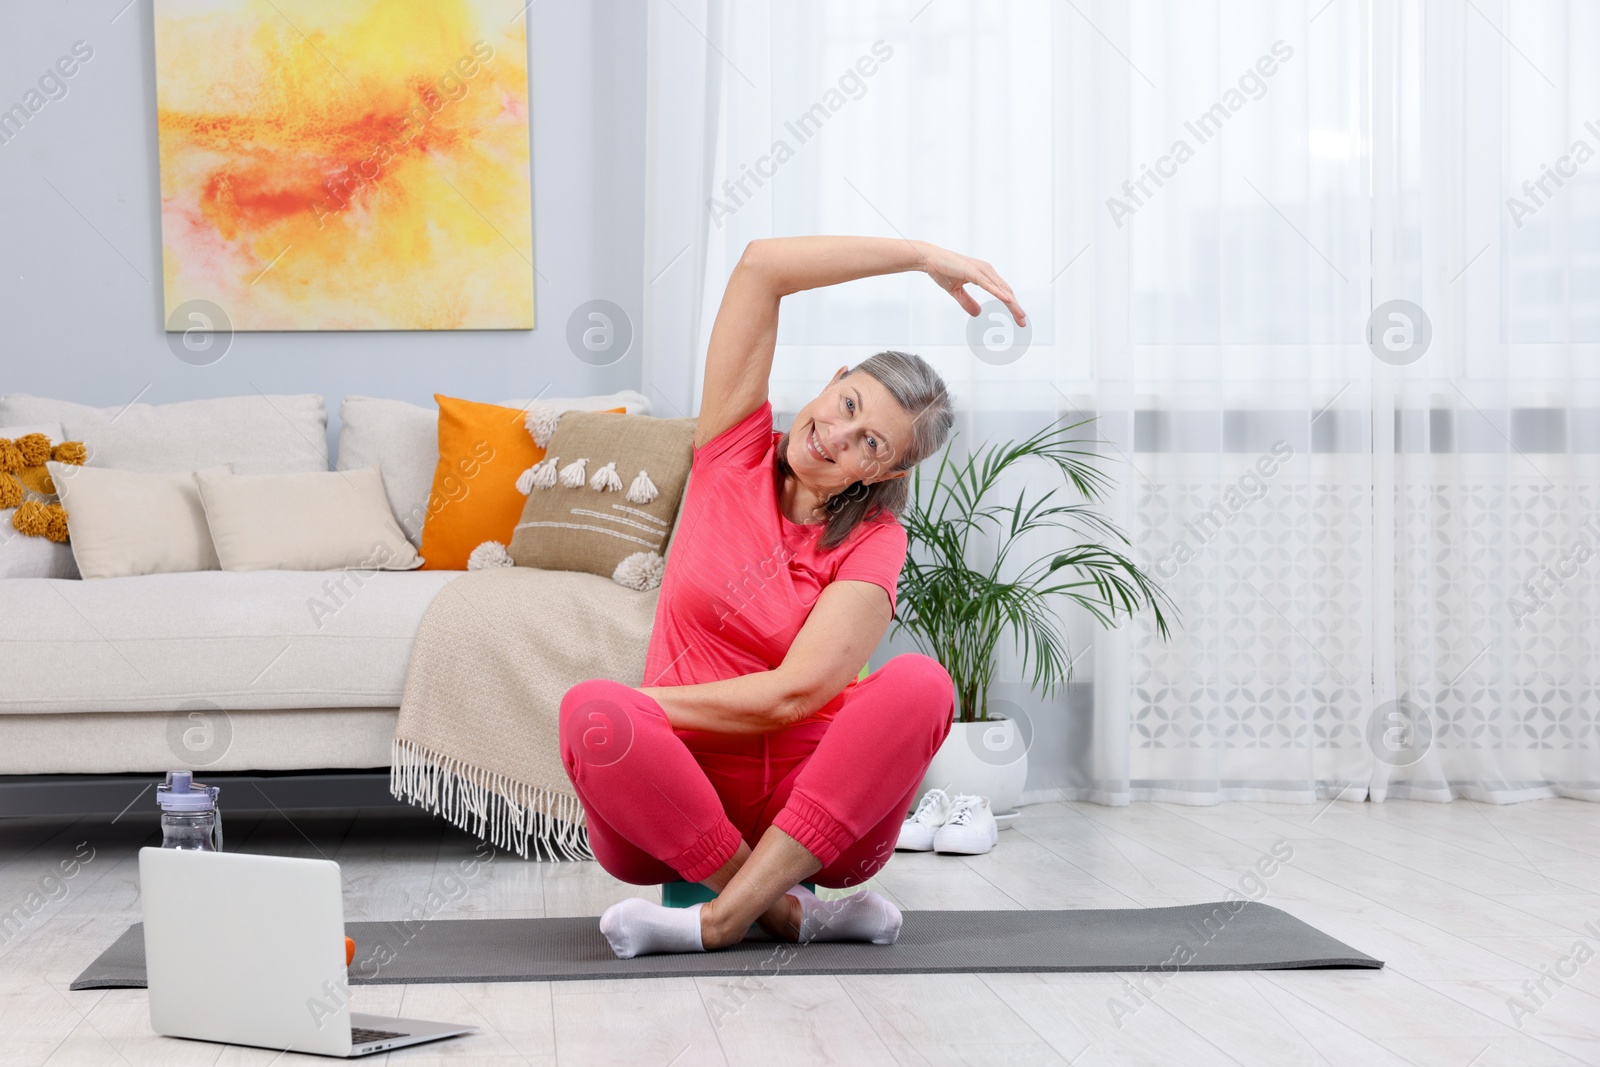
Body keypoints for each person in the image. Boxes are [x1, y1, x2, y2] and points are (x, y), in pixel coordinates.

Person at [558, 235, 1027, 958]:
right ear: (832, 379)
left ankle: (718, 921)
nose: (836, 435)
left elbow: (795, 694)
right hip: (675, 802)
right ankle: (783, 912)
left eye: (870, 443)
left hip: (818, 825)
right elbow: (761, 267)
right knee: (591, 711)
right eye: (846, 403)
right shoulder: (729, 450)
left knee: (922, 682)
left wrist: (648, 704)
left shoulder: (875, 539)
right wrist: (923, 258)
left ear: (886, 470)